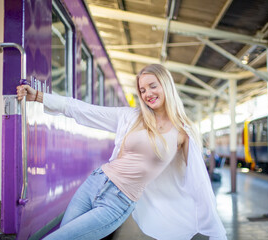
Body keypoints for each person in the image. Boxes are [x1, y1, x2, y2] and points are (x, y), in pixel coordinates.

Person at [16, 64, 227, 240]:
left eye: (152, 86)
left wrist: (217, 231)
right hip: (95, 183)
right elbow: (83, 109)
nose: (147, 94)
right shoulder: (131, 116)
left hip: (118, 201)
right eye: (142, 90)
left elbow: (199, 182)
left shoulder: (183, 132)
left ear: (166, 85)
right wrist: (39, 97)